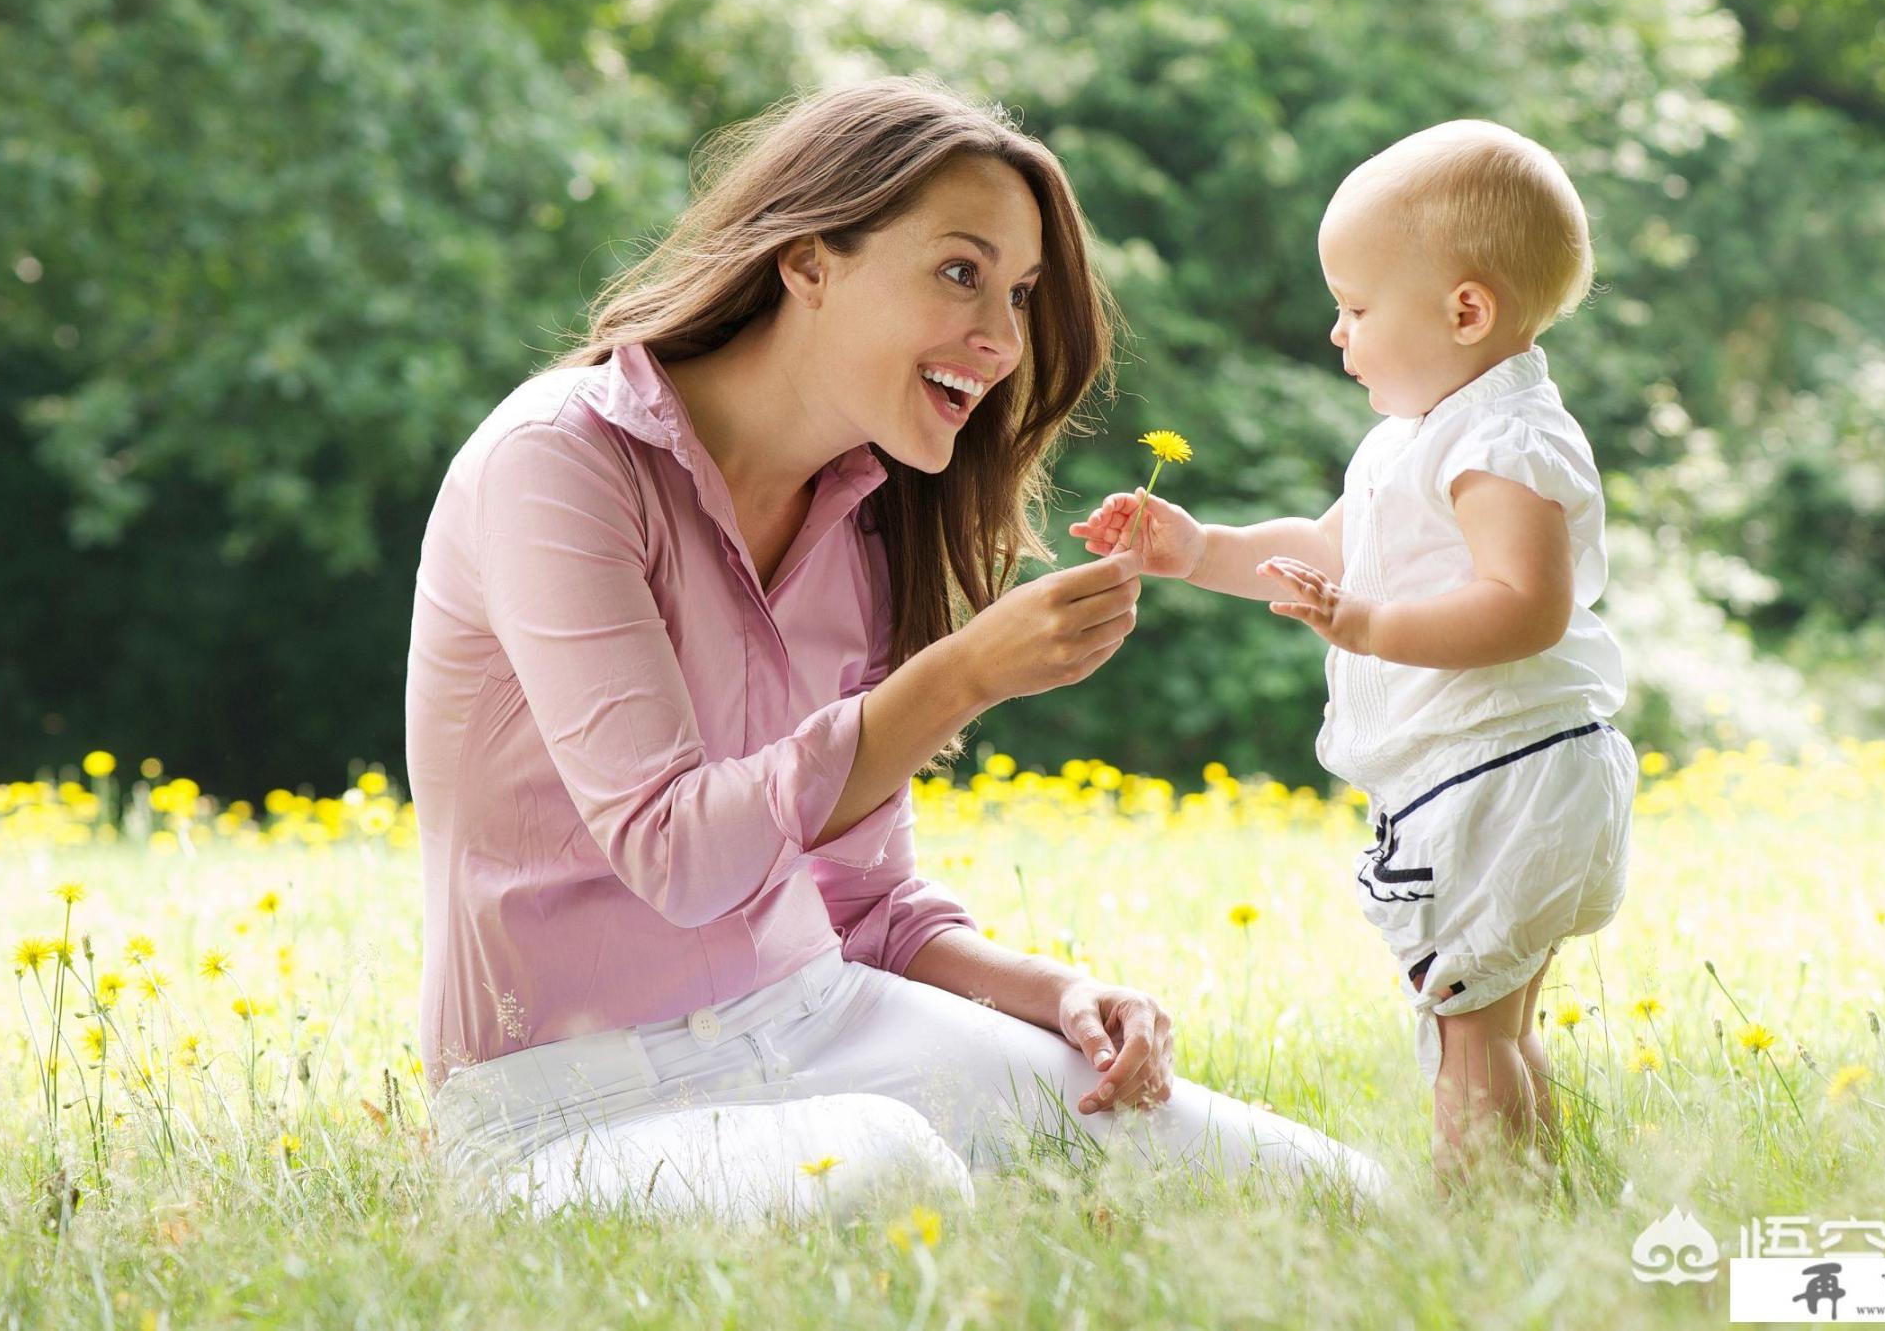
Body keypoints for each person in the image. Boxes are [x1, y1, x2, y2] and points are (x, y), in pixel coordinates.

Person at [405, 76, 1389, 1223]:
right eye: (959, 271)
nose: (1003, 340)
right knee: (885, 1171)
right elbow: (674, 854)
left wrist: (1055, 993)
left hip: (821, 1018)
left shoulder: (866, 518)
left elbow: (863, 907)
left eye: (1018, 293)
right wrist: (961, 674)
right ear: (809, 261)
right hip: (570, 1104)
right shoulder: (559, 463)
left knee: (1330, 1199)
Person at [1072, 120, 1633, 1181]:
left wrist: (1368, 624)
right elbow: (1328, 551)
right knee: (1486, 1021)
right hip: (1485, 772)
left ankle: (1479, 1227)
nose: (1337, 333)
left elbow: (1523, 607)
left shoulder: (1501, 442)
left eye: (1357, 308)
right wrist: (1197, 548)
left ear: (1465, 310)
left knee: (1468, 1027)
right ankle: (1535, 1202)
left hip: (1503, 772)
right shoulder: (1416, 435)